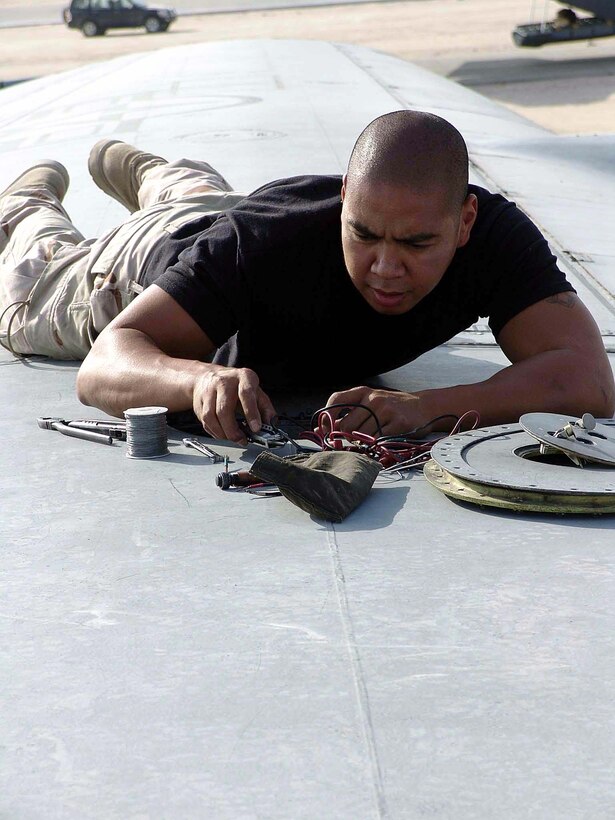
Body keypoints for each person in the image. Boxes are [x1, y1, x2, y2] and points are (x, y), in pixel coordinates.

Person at [1, 110, 612, 444]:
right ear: (344, 203)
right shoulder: (266, 242)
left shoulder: (496, 238)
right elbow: (106, 364)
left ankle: (158, 176)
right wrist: (198, 382)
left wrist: (427, 406)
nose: (385, 268)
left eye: (417, 242)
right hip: (136, 266)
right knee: (29, 305)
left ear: (464, 221)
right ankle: (26, 207)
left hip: (223, 220)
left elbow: (587, 380)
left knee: (214, 211)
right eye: (363, 234)